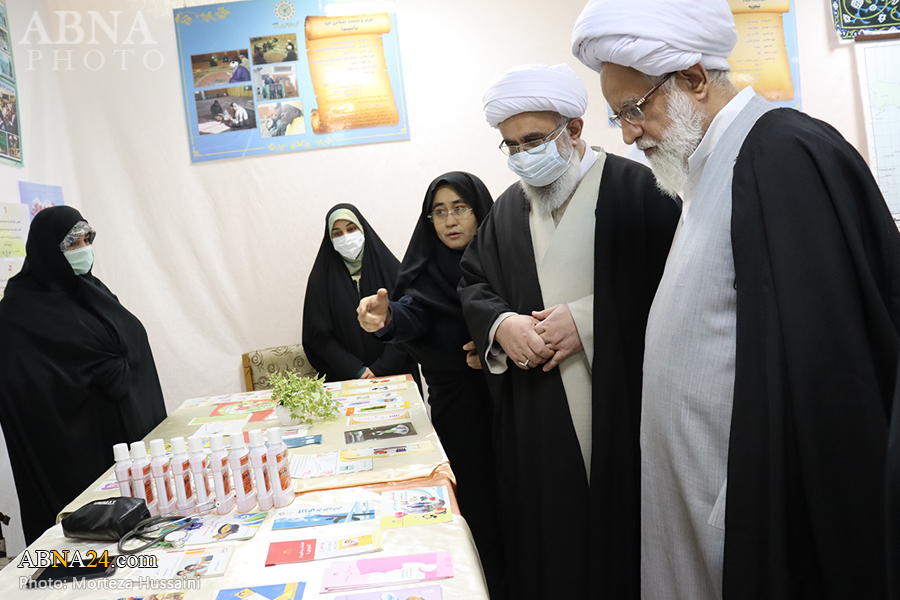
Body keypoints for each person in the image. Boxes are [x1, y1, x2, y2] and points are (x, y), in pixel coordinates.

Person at [571, 2, 900, 599]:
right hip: (704, 507)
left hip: (752, 520)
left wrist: (758, 507)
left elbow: (829, 381)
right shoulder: (702, 168)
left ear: (694, 79)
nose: (628, 134)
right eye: (618, 116)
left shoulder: (782, 155)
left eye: (634, 109)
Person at [457, 64, 680, 599]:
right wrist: (502, 325)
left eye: (533, 140)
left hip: (624, 407)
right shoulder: (508, 209)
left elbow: (679, 287)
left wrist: (587, 321)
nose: (521, 156)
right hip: (537, 413)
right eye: (511, 146)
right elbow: (474, 282)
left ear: (574, 129)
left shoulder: (640, 190)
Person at [357, 172, 503, 596]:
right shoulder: (426, 272)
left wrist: (493, 345)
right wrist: (385, 319)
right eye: (439, 212)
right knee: (476, 505)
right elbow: (412, 312)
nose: (449, 220)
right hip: (459, 410)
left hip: (513, 404)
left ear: (480, 211)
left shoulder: (505, 260)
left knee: (520, 499)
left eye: (460, 208)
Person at [0, 207, 167, 544]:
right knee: (90, 541)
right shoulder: (16, 314)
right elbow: (26, 388)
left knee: (138, 531)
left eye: (87, 240)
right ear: (48, 250)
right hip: (75, 448)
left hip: (124, 434)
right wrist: (92, 371)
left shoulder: (91, 289)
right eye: (73, 243)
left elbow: (127, 340)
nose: (84, 249)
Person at [303, 204, 418, 383]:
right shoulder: (321, 280)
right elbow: (318, 336)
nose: (346, 237)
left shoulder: (392, 270)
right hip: (345, 378)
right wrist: (355, 370)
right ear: (330, 239)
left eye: (351, 229)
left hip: (396, 373)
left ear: (363, 229)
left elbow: (408, 321)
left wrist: (380, 368)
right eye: (337, 233)